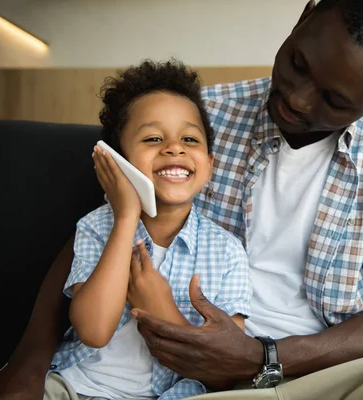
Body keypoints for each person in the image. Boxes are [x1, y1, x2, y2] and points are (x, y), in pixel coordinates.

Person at [0, 1, 363, 399]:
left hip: (326, 376)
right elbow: (97, 232)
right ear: (300, 19)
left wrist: (265, 358)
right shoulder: (201, 119)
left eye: (334, 99)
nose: (295, 99)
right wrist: (25, 366)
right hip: (193, 382)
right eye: (297, 63)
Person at [44, 60, 252, 400]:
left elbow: (223, 370)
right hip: (76, 388)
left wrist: (161, 309)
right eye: (153, 138)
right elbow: (94, 331)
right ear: (117, 159)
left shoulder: (227, 251)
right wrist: (126, 218)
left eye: (189, 138)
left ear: (210, 165)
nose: (174, 147)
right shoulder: (97, 227)